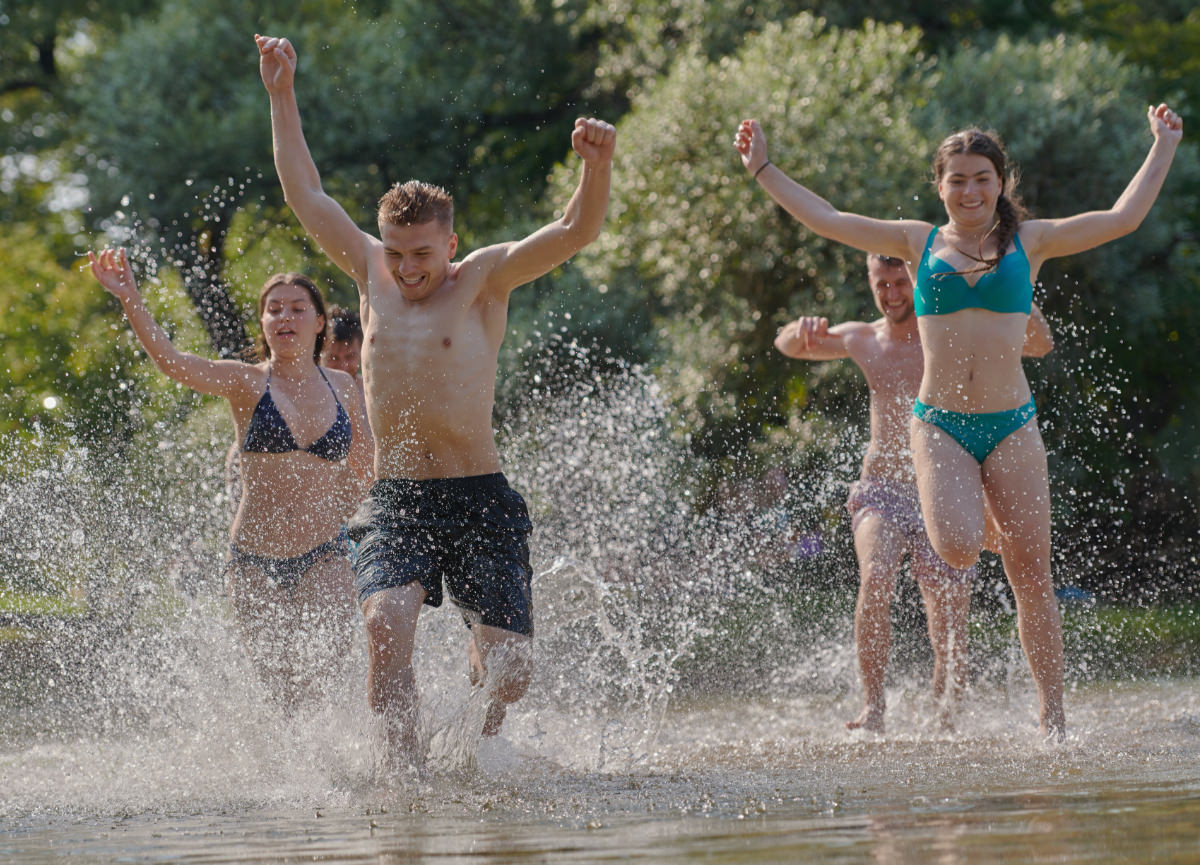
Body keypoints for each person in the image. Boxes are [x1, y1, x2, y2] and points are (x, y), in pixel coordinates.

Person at [737, 103, 1183, 737]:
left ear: (1001, 183)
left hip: (1012, 423)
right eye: (957, 180)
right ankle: (996, 527)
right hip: (941, 424)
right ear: (939, 186)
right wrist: (762, 168)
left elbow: (1123, 218)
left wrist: (1163, 145)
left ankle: (1052, 721)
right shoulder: (917, 242)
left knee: (1033, 579)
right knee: (958, 544)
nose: (970, 191)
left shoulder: (1031, 241)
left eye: (982, 178)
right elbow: (828, 219)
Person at [256, 33, 616, 766]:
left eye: (423, 252)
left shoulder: (483, 280)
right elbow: (305, 193)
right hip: (399, 498)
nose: (408, 267)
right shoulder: (369, 272)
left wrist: (596, 167)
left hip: (479, 496)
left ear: (451, 244)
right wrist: (281, 93)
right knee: (386, 622)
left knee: (512, 671)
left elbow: (577, 229)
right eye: (397, 252)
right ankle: (405, 776)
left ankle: (479, 742)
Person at [775, 253, 1054, 732]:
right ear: (870, 284)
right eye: (881, 284)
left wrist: (1023, 304)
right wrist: (799, 329)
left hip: (944, 488)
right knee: (876, 575)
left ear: (918, 281)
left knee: (947, 618)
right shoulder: (865, 338)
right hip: (881, 488)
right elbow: (789, 346)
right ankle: (873, 708)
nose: (891, 294)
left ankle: (946, 719)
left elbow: (1039, 345)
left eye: (900, 282)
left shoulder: (946, 335)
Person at [89, 250, 373, 706]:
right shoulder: (245, 382)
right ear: (262, 323)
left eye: (298, 308)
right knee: (283, 696)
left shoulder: (343, 388)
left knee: (323, 679)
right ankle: (289, 777)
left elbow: (368, 465)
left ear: (319, 322)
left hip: (326, 554)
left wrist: (355, 513)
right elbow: (172, 361)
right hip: (253, 562)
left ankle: (332, 772)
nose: (285, 316)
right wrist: (129, 298)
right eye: (274, 308)